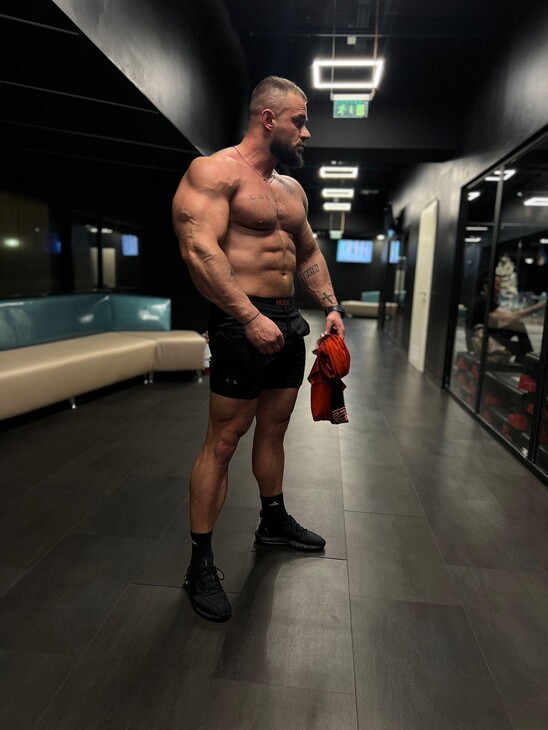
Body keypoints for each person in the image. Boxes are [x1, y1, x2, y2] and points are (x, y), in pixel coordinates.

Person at [172, 76, 345, 622]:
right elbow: (199, 251)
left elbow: (308, 252)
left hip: (288, 321)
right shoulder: (214, 172)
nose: (307, 133)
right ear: (268, 119)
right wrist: (248, 317)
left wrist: (331, 306)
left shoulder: (290, 190)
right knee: (224, 441)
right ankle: (200, 563)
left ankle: (272, 522)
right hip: (239, 318)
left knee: (274, 428)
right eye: (300, 121)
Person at [467, 273, 545, 363]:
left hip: (484, 335)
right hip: (482, 340)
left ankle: (523, 361)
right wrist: (538, 306)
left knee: (518, 325)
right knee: (522, 347)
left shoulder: (479, 299)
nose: (499, 289)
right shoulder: (484, 302)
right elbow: (511, 316)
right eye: (497, 285)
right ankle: (526, 363)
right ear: (486, 287)